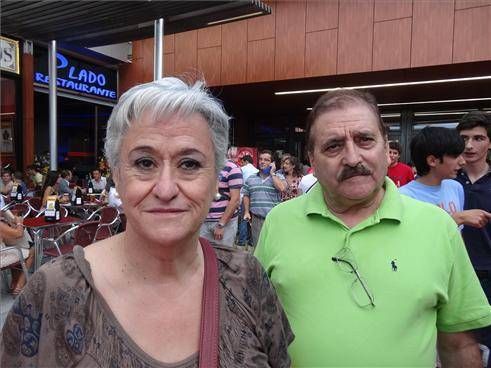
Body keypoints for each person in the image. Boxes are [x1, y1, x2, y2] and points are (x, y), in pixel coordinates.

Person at [0, 78, 293, 367]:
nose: (166, 189)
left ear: (216, 177)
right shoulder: (53, 290)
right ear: (116, 173)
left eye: (189, 164)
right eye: (144, 163)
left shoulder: (246, 280)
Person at [255, 88, 491, 366]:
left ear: (386, 147)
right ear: (312, 159)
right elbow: (257, 327)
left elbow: (459, 345)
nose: (353, 158)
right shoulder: (279, 222)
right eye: (333, 146)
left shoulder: (438, 227)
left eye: (365, 140)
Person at [400, 127, 490, 228]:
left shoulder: (455, 187)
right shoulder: (404, 197)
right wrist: (457, 219)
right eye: (455, 156)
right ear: (433, 161)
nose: (463, 162)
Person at [455, 111, 491, 353]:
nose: (469, 145)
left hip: (488, 273)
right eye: (464, 138)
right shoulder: (446, 178)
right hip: (452, 272)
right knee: (456, 345)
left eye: (478, 138)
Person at [242, 149, 287, 247]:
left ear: (272, 163)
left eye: (266, 160)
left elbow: (282, 188)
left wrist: (272, 173)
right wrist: (246, 211)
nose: (262, 162)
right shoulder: (251, 178)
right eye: (261, 159)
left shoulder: (278, 177)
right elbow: (246, 194)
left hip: (273, 219)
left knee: (273, 248)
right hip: (256, 220)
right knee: (258, 248)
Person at [200, 147, 243, 246]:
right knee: (204, 256)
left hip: (224, 223)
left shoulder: (232, 168)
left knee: (223, 257)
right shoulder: (204, 167)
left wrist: (221, 224)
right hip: (203, 221)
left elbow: (235, 200)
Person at [236, 155, 258, 247]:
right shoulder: (256, 170)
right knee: (252, 220)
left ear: (245, 161)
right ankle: (252, 240)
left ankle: (242, 240)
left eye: (242, 162)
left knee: (244, 218)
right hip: (255, 197)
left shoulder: (242, 169)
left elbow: (239, 183)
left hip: (244, 196)